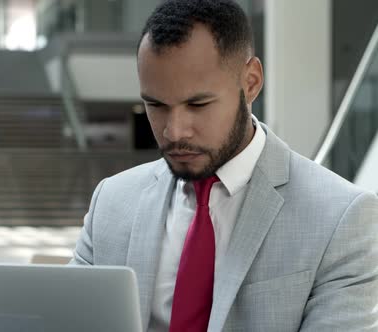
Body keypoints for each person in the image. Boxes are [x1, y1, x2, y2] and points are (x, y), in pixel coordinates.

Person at [71, 0, 378, 331]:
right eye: (156, 105)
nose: (174, 131)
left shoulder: (342, 218)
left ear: (251, 82)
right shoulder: (112, 202)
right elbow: (63, 318)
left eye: (197, 104)